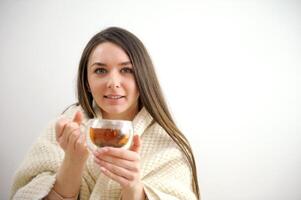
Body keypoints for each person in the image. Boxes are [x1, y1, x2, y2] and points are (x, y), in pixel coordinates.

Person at [10, 27, 200, 200]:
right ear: (87, 82)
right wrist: (73, 163)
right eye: (100, 70)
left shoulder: (167, 147)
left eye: (126, 70)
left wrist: (134, 188)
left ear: (143, 79)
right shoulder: (64, 131)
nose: (113, 82)